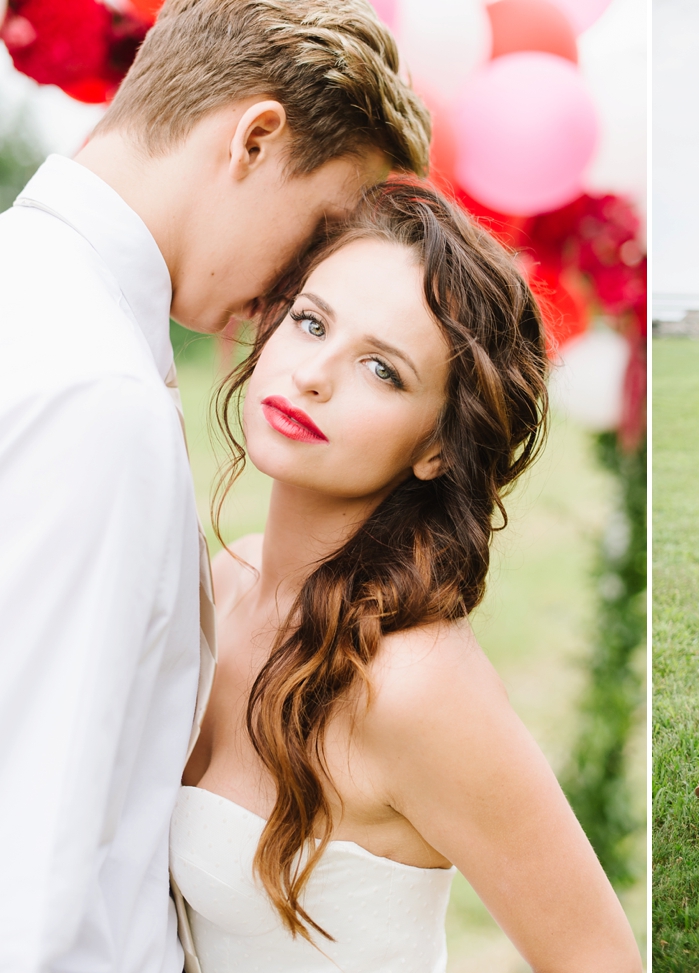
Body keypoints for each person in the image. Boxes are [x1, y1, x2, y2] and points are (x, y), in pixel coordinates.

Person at [0, 2, 429, 970]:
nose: (293, 290)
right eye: (319, 227)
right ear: (256, 138)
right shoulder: (94, 393)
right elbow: (29, 869)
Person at [171, 181, 641, 973]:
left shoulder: (414, 685)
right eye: (311, 322)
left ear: (437, 447)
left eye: (382, 370)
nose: (314, 373)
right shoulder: (230, 577)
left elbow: (600, 959)